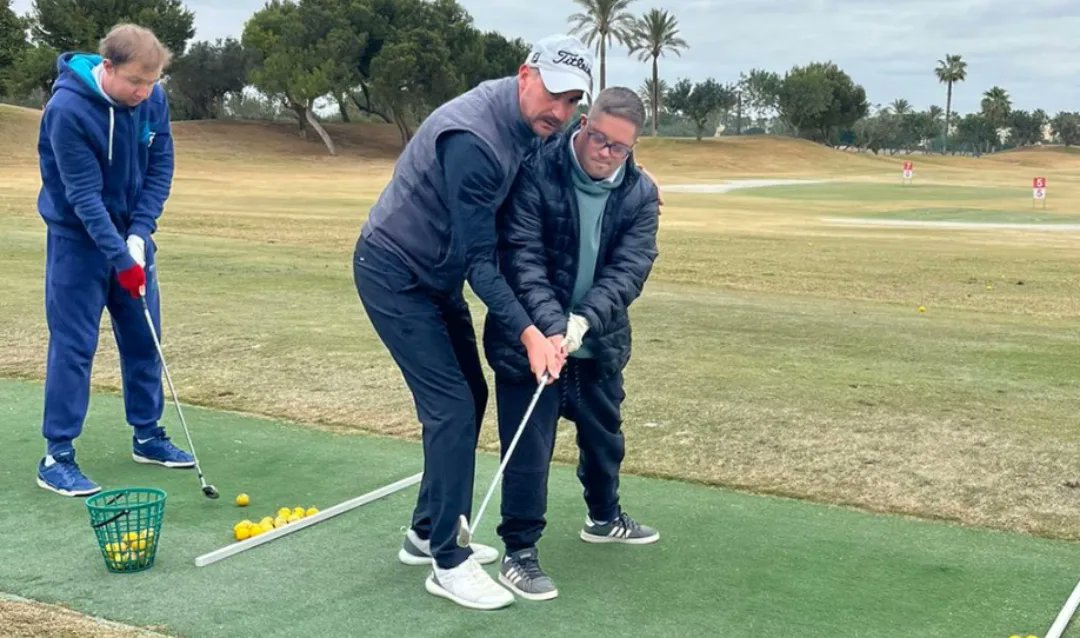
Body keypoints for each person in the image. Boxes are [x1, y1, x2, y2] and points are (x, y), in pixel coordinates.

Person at [352, 34, 594, 610]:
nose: (560, 112)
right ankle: (448, 559)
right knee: (451, 409)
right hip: (394, 271)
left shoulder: (531, 125)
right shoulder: (474, 141)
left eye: (572, 102)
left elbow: (568, 159)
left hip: (436, 275)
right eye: (554, 95)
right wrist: (531, 334)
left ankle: (424, 532)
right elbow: (481, 262)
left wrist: (633, 175)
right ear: (525, 75)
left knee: (470, 395)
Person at [481, 87, 661, 601]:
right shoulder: (538, 170)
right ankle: (519, 552)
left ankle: (603, 517)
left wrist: (583, 322)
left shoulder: (640, 194)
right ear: (583, 124)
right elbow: (522, 256)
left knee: (605, 440)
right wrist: (551, 327)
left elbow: (630, 269)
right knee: (529, 450)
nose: (605, 153)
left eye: (618, 147)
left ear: (632, 148)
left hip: (597, 343)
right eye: (598, 138)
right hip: (530, 343)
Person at [35, 24, 194, 497]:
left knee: (145, 338)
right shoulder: (67, 110)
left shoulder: (152, 100)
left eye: (152, 82)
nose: (144, 92)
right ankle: (57, 455)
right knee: (74, 346)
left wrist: (140, 235)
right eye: (135, 82)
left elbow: (160, 167)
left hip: (131, 239)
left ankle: (148, 435)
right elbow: (82, 196)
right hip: (77, 243)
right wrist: (120, 257)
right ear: (108, 67)